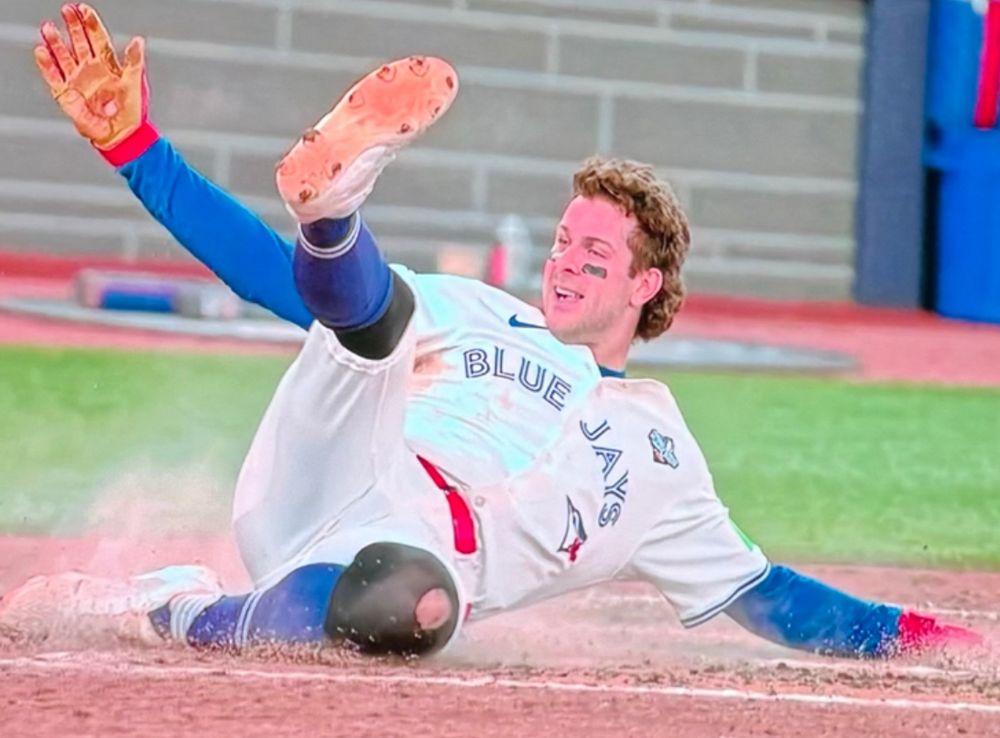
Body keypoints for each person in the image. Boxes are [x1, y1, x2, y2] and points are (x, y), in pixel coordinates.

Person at [0, 3, 982, 659]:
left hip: (391, 565)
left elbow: (767, 597)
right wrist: (138, 152)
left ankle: (172, 605)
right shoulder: (483, 308)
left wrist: (930, 635)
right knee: (381, 316)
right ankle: (334, 208)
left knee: (418, 608)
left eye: (592, 257)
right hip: (336, 462)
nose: (563, 262)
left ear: (648, 283)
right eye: (562, 242)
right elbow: (265, 278)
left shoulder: (662, 455)